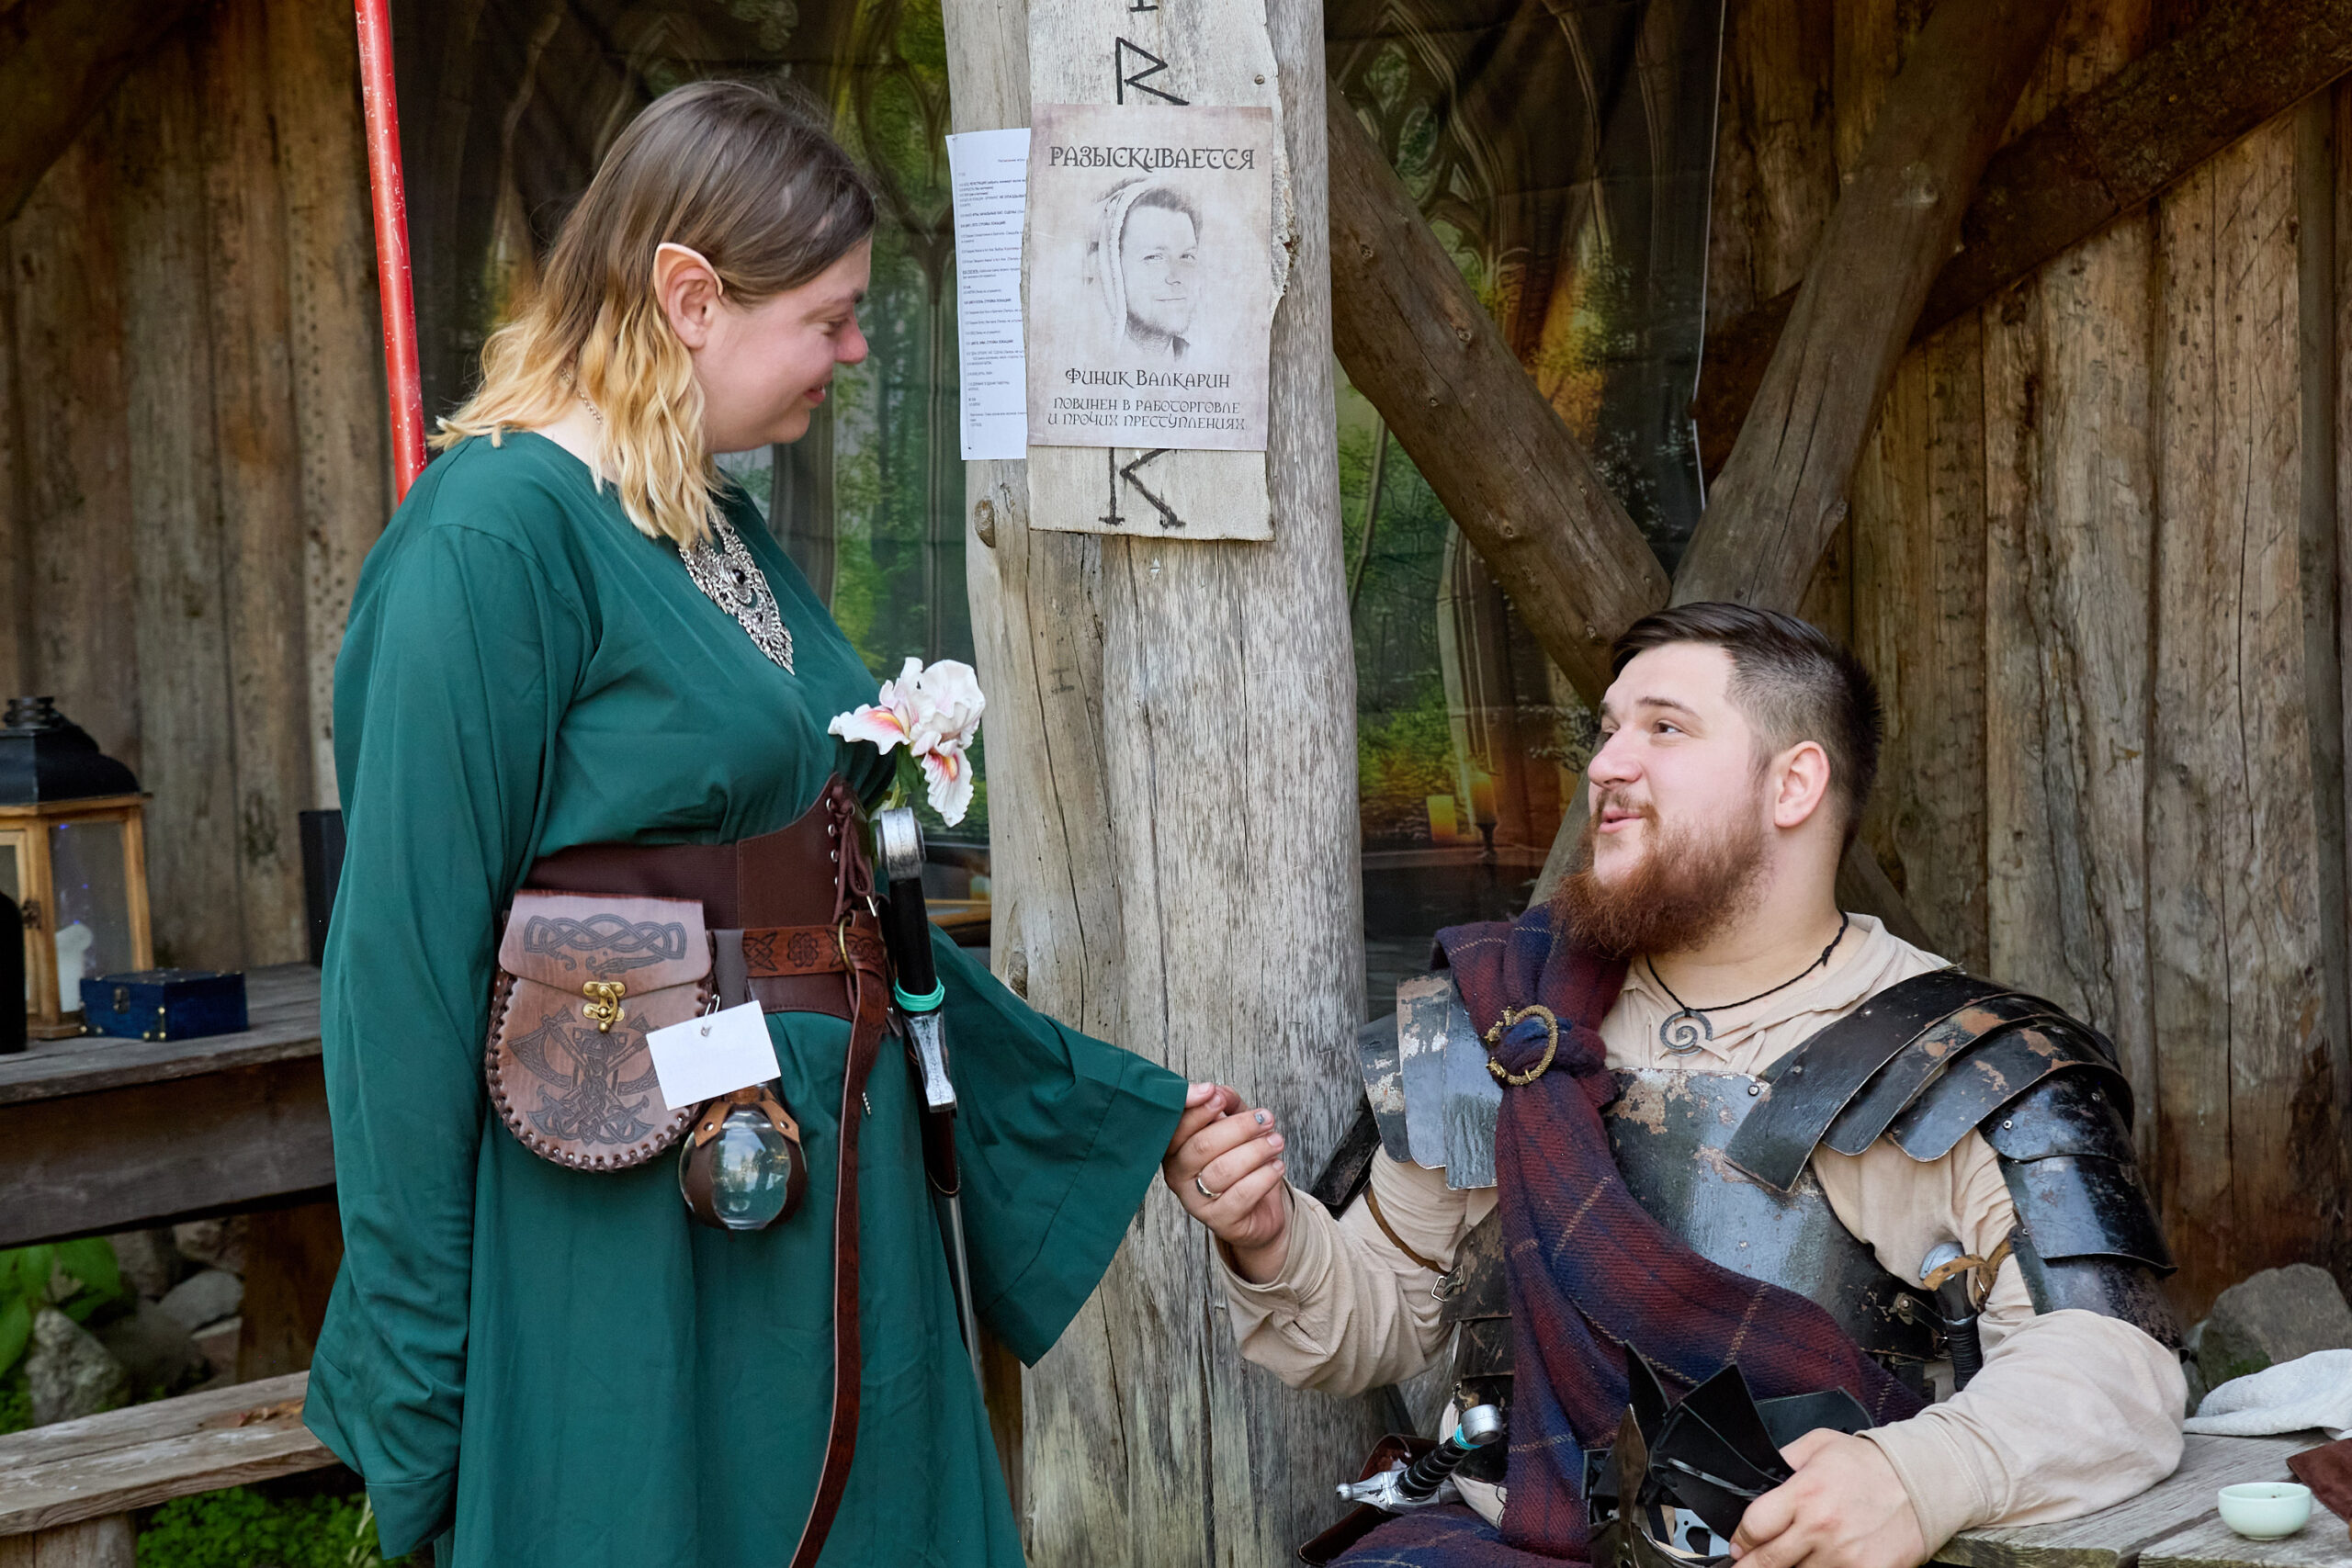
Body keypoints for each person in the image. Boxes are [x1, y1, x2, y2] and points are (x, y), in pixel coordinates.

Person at [302, 82, 1194, 1568]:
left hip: (826, 1196)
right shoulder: (488, 538)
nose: (856, 351)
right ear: (690, 296)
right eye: (829, 316)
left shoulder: (708, 519)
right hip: (632, 1242)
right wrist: (424, 1374)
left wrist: (1098, 1105)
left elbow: (826, 895)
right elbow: (399, 978)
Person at [1164, 604, 2188, 1568]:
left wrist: (1920, 1473)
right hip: (1510, 1543)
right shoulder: (1508, 1015)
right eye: (1607, 730)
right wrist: (1269, 1236)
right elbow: (1369, 1320)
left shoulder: (1972, 1061)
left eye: (1663, 728)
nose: (1606, 764)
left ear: (1792, 785)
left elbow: (2114, 1369)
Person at [1089, 179, 1202, 360]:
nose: (1177, 277)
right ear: (1110, 268)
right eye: (1154, 257)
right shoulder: (1082, 359)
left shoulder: (1201, 360)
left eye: (1186, 256)